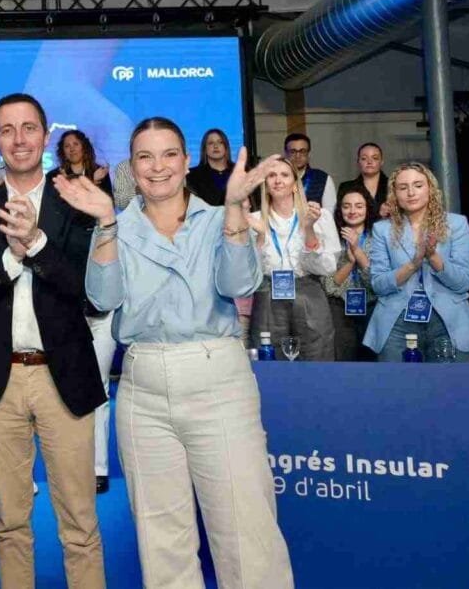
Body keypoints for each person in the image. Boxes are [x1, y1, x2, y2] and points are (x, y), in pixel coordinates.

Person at [55, 116, 294, 589]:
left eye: (168, 155)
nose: (157, 167)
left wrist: (232, 210)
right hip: (143, 386)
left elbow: (239, 283)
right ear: (132, 167)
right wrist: (105, 222)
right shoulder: (117, 225)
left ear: (187, 162)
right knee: (162, 539)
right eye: (144, 156)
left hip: (218, 379)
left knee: (247, 532)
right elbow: (102, 298)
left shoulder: (215, 216)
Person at [0, 93, 106, 589]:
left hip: (65, 376)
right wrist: (11, 262)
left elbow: (89, 290)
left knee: (80, 524)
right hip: (0, 378)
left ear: (46, 135)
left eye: (29, 128)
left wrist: (37, 245)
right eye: (7, 130)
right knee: (10, 524)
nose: (19, 139)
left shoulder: (75, 202)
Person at [49, 129, 116, 494]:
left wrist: (93, 184)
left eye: (77, 144)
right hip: (65, 301)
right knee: (63, 390)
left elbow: (108, 223)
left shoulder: (104, 184)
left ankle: (99, 468)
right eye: (67, 145)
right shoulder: (55, 183)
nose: (72, 149)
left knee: (99, 388)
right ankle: (71, 467)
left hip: (99, 306)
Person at [364, 162, 469, 362]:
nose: (411, 192)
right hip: (397, 323)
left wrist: (434, 257)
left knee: (451, 390)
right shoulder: (382, 230)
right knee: (397, 391)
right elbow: (379, 285)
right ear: (395, 194)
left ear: (430, 189)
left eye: (418, 185)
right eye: (403, 187)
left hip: (448, 321)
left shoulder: (456, 224)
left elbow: (463, 282)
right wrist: (413, 264)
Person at [248, 157, 340, 360]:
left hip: (308, 292)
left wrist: (308, 230)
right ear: (265, 184)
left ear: (295, 183)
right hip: (268, 293)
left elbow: (328, 267)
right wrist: (261, 238)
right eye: (271, 175)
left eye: (284, 175)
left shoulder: (319, 216)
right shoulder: (254, 220)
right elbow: (248, 274)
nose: (277, 180)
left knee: (317, 357)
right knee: (270, 362)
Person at [320, 189, 377, 361]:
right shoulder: (330, 239)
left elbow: (375, 282)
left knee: (371, 363)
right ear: (339, 210)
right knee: (344, 361)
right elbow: (329, 286)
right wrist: (350, 262)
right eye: (346, 206)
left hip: (372, 306)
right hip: (339, 307)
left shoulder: (378, 238)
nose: (352, 211)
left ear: (367, 209)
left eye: (359, 206)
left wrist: (357, 251)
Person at [284, 132, 336, 212]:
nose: (298, 156)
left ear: (308, 154)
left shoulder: (322, 178)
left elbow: (330, 214)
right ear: (286, 154)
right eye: (293, 152)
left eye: (302, 151)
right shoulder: (277, 180)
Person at [337, 142, 390, 218]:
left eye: (375, 158)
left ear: (381, 162)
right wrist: (378, 214)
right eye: (364, 158)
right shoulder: (346, 187)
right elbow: (340, 216)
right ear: (358, 162)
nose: (369, 162)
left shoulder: (394, 186)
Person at [186, 127, 233, 206]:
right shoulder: (192, 176)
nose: (216, 146)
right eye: (211, 143)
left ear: (226, 147)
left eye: (220, 142)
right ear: (205, 148)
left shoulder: (240, 171)